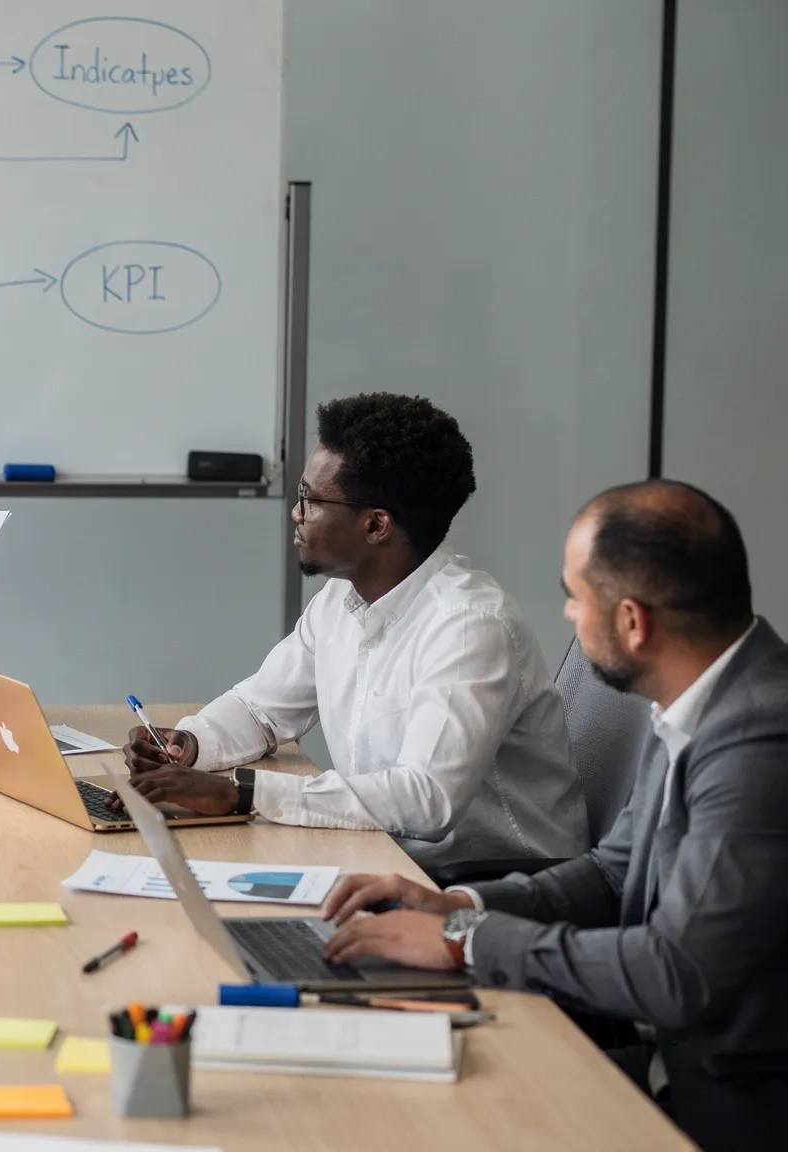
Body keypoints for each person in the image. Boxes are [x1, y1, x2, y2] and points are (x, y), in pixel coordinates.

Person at [320, 480, 786, 1152]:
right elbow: (612, 873)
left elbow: (676, 973)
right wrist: (451, 902)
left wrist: (464, 941)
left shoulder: (759, 739)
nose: (567, 614)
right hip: (678, 1066)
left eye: (575, 596)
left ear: (632, 621)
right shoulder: (700, 698)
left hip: (726, 1105)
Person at [122, 393, 585, 872]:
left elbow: (427, 800)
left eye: (311, 499)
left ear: (376, 526)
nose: (296, 513)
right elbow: (261, 709)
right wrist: (186, 745)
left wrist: (243, 793)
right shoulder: (341, 602)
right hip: (388, 854)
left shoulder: (468, 627)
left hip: (494, 879)